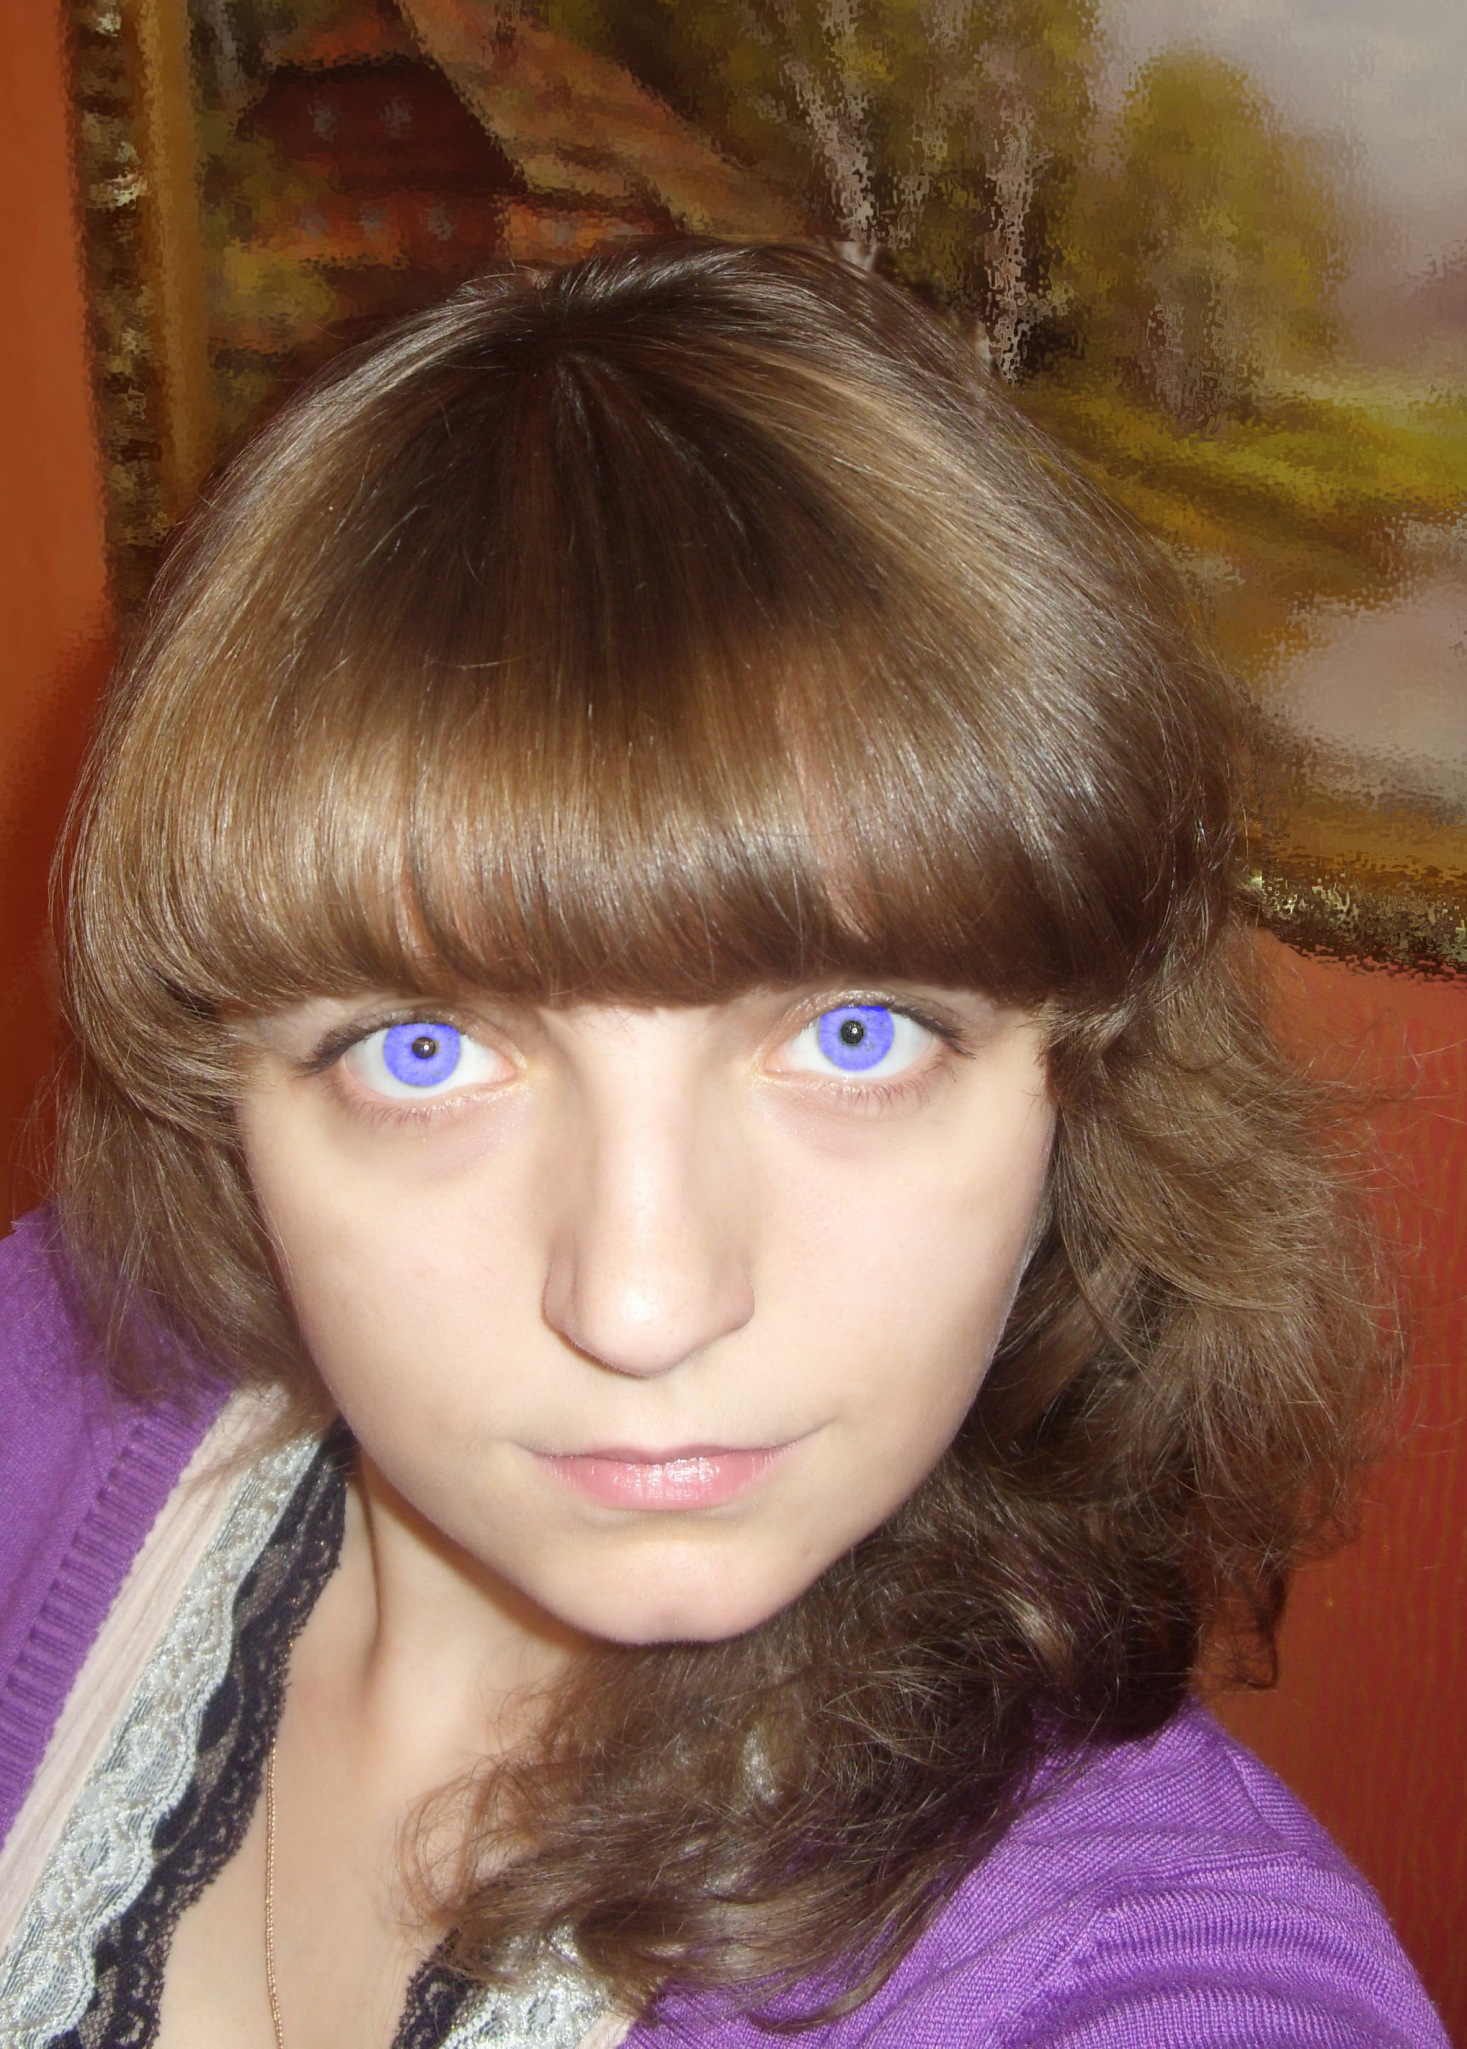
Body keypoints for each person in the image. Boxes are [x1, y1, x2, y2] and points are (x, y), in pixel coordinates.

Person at [0, 239, 1447, 2049]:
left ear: (1081, 1081)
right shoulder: (59, 1364)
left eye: (855, 1035)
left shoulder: (1131, 1970)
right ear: (224, 1091)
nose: (644, 1301)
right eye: (424, 1051)